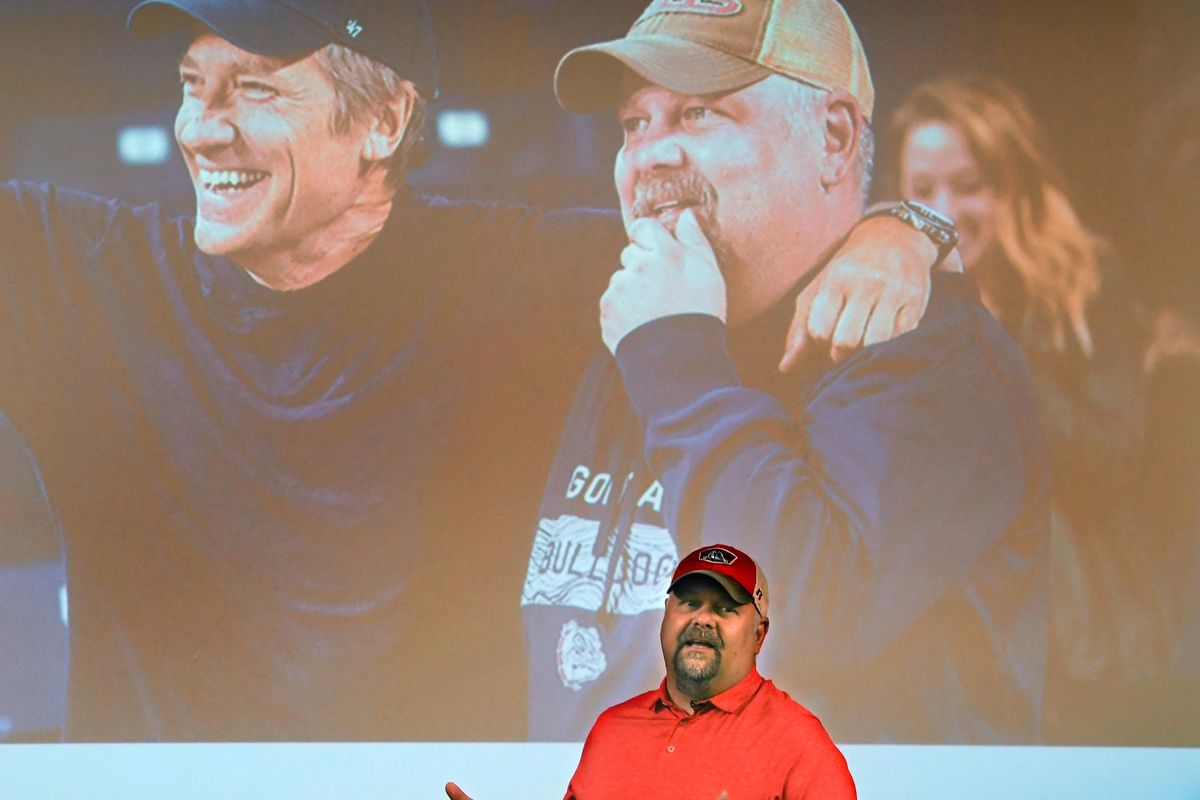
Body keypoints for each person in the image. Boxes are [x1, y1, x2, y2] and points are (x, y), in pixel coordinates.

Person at [0, 0, 944, 740]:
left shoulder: (529, 274)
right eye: (191, 84)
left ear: (383, 120)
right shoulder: (81, 274)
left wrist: (898, 233)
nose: (200, 130)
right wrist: (907, 229)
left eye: (255, 89)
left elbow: (761, 236)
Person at [521, 0, 1048, 744]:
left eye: (700, 114)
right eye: (635, 123)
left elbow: (803, 625)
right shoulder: (638, 329)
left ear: (834, 139)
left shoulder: (926, 350)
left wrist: (677, 363)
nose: (653, 154)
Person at [889, 75, 1173, 743]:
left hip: (1077, 644)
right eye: (922, 190)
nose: (945, 210)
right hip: (941, 640)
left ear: (1012, 181)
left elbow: (1112, 455)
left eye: (968, 184)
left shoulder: (1083, 280)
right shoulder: (896, 302)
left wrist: (987, 338)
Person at [450, 544, 855, 800]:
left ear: (759, 635)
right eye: (689, 602)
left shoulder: (797, 742)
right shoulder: (612, 729)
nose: (702, 620)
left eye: (725, 609)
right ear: (665, 617)